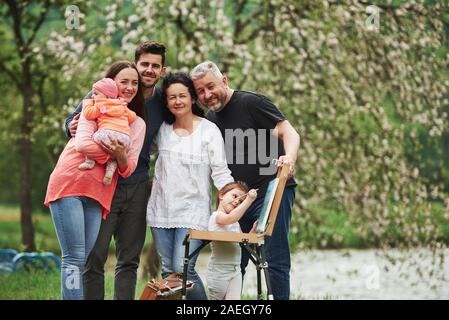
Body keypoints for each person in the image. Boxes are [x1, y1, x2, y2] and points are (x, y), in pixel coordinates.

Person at [65, 41, 167, 300]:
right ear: (136, 64)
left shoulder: (162, 101)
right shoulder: (105, 93)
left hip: (137, 184)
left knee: (129, 258)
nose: (149, 70)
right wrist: (71, 128)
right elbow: (72, 121)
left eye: (155, 66)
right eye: (144, 64)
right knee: (94, 256)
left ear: (162, 70)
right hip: (102, 183)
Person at [190, 61, 300, 300]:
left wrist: (289, 159)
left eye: (211, 86)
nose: (207, 95)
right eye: (200, 91)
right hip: (237, 201)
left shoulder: (252, 103)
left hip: (271, 192)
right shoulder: (210, 120)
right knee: (232, 261)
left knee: (274, 259)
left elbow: (289, 131)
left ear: (225, 81)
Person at [44, 61, 146, 300]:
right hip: (70, 182)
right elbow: (82, 144)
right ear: (111, 83)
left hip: (99, 194)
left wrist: (121, 157)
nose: (130, 87)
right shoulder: (94, 106)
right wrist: (115, 154)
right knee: (73, 258)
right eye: (124, 82)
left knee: (84, 257)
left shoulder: (137, 123)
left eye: (135, 83)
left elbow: (128, 168)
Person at [146, 72, 234, 300]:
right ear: (166, 102)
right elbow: (142, 149)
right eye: (171, 97)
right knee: (169, 274)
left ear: (192, 98)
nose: (177, 101)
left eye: (182, 96)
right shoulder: (163, 130)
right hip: (161, 212)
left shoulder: (208, 130)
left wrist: (231, 200)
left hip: (193, 212)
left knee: (183, 270)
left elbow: (221, 171)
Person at [79, 78, 137, 185]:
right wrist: (124, 108)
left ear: (106, 95)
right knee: (115, 155)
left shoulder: (101, 104)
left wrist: (87, 102)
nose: (92, 96)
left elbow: (88, 114)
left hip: (106, 134)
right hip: (125, 140)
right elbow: (132, 117)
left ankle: (90, 162)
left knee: (93, 138)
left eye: (96, 94)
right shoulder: (121, 105)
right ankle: (109, 173)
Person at [207, 181, 257, 300]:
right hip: (219, 273)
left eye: (240, 201)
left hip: (235, 271)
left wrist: (253, 231)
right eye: (235, 196)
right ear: (221, 195)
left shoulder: (235, 223)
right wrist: (248, 200)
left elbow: (244, 242)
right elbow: (230, 218)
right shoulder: (217, 216)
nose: (237, 202)